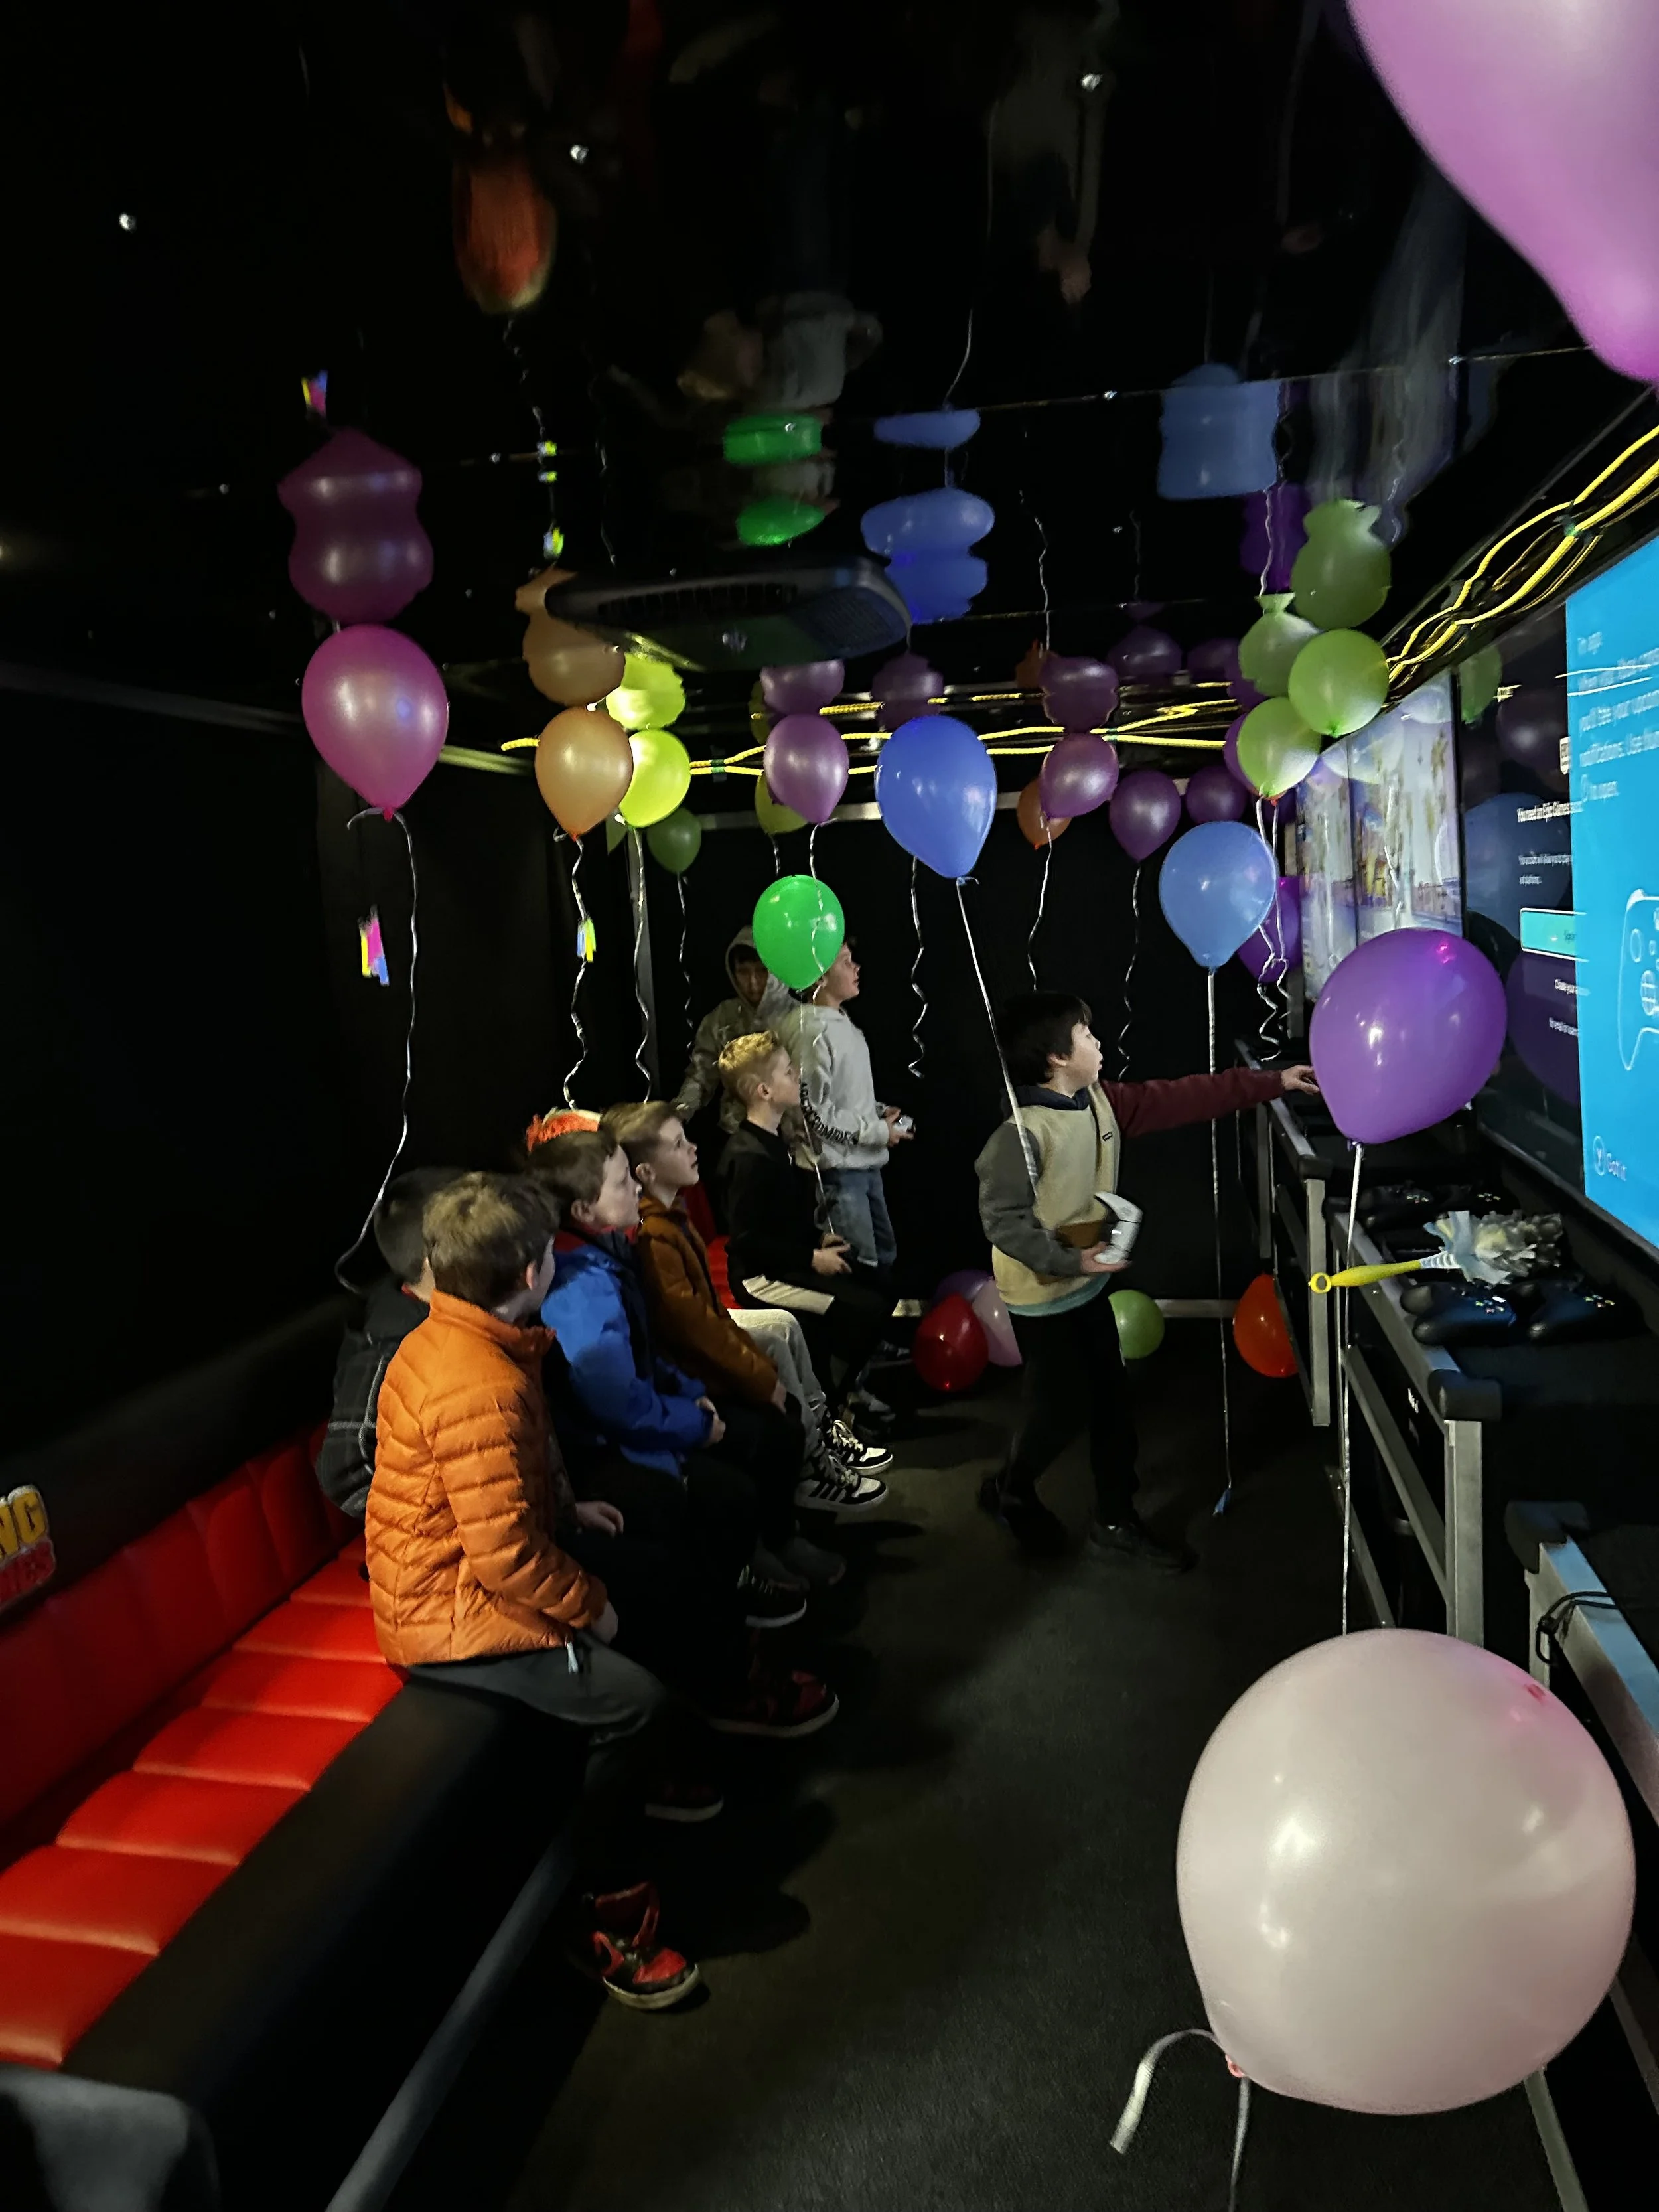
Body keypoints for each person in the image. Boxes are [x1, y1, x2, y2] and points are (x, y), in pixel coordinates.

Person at [366, 1171, 699, 2009]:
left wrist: (567, 1508)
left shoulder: (468, 1337)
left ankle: (645, 1785)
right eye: (549, 1253)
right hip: (444, 1613)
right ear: (528, 1275)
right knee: (636, 1701)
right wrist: (591, 1605)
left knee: (658, 1580)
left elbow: (501, 1492)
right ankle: (603, 1912)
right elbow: (505, 1559)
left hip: (476, 1572)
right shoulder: (475, 1378)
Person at [974, 993, 1319, 1564]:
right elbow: (1001, 1221)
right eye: (1086, 1035)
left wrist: (1272, 1081)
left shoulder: (1102, 1103)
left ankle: (1114, 1517)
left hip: (1085, 1284)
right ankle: (1010, 1485)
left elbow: (1183, 1097)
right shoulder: (1022, 1135)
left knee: (1110, 1399)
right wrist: (1070, 1261)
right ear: (1058, 1058)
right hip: (1041, 1296)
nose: (1099, 1043)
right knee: (1060, 1407)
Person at [526, 1128, 813, 1627]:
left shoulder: (609, 1252)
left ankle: (754, 1560)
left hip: (642, 1421)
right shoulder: (582, 1290)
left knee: (766, 1434)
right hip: (608, 1449)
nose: (635, 1189)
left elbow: (644, 1352)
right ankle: (731, 1600)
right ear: (583, 1212)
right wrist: (696, 1424)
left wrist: (692, 1396)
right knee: (730, 1490)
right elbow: (615, 1402)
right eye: (621, 1183)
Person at [601, 1101, 892, 1563]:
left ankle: (819, 1440)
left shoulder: (673, 1220)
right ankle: (801, 1481)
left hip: (699, 1356)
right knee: (782, 1387)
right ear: (645, 1170)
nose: (694, 1147)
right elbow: (693, 1329)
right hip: (703, 1358)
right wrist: (760, 1378)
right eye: (679, 1144)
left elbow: (707, 1316)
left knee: (784, 1332)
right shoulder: (657, 1235)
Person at [716, 1031, 894, 1420]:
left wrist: (817, 1239)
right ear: (764, 1090)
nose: (798, 1075)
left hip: (789, 1258)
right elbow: (747, 1240)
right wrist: (811, 1257)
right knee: (863, 1310)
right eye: (787, 1071)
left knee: (883, 1287)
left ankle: (838, 1396)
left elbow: (778, 1219)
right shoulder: (748, 1156)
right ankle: (831, 1409)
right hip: (761, 1277)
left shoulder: (771, 1140)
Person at [316, 1167, 459, 1519]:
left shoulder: (467, 1312)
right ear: (435, 1260)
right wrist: (440, 1523)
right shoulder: (388, 1350)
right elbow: (343, 1472)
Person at [775, 940, 910, 1278]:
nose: (856, 968)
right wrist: (879, 1132)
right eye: (846, 961)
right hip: (838, 1172)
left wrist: (878, 1113)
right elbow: (814, 1113)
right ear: (819, 976)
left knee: (883, 1257)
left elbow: (842, 1096)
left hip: (864, 1164)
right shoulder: (811, 1032)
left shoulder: (839, 1022)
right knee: (859, 1266)